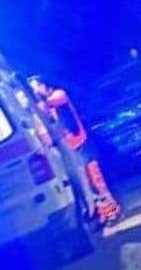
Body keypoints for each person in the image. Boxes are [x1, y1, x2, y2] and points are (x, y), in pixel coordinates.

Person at [29, 77, 121, 226]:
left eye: (36, 87)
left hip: (81, 143)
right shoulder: (48, 104)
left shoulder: (58, 95)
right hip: (72, 147)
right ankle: (102, 215)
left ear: (45, 85)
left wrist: (34, 104)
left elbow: (48, 106)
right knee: (87, 185)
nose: (35, 91)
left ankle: (112, 211)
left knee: (95, 180)